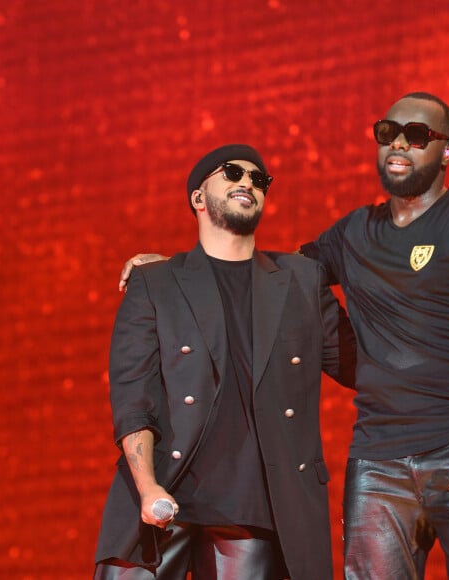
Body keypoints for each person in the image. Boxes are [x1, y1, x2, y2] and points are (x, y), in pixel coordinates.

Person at [118, 92, 449, 579]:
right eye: (387, 133)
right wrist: (178, 271)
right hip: (377, 459)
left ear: (447, 151)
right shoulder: (354, 232)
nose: (398, 144)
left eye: (417, 136)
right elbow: (263, 279)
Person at [95, 144, 357, 580]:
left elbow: (359, 366)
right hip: (163, 488)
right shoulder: (155, 281)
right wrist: (147, 487)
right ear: (198, 198)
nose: (247, 183)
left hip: (252, 502)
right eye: (233, 172)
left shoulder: (300, 281)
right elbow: (132, 397)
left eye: (259, 180)